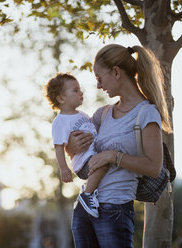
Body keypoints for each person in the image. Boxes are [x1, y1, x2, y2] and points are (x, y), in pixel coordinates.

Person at [66, 44, 173, 247]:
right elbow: (75, 148)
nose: (98, 86)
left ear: (116, 72)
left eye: (99, 78)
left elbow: (153, 167)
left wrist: (112, 156)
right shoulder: (102, 114)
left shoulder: (147, 113)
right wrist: (70, 143)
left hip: (115, 211)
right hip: (84, 208)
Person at [44, 73, 109, 218]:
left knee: (105, 162)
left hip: (92, 155)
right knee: (103, 164)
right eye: (75, 90)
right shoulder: (60, 121)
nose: (81, 92)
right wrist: (63, 168)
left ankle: (92, 193)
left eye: (79, 89)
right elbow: (59, 147)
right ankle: (86, 195)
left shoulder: (83, 115)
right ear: (61, 98)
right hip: (83, 162)